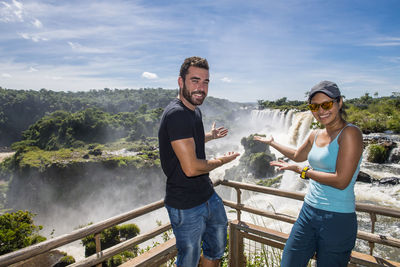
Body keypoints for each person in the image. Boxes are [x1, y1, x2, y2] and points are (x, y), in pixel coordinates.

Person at [254, 81, 363, 267]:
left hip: (337, 218)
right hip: (308, 212)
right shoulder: (315, 134)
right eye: (314, 106)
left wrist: (303, 171)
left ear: (340, 102)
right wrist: (272, 143)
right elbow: (297, 155)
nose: (321, 111)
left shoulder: (350, 133)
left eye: (326, 104)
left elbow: (341, 180)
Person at [158, 56, 240, 267]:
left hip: (208, 195)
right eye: (195, 80)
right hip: (185, 205)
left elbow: (186, 140)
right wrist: (223, 160)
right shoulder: (176, 114)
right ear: (180, 82)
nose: (201, 88)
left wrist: (210, 136)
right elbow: (192, 168)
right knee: (189, 260)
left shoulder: (194, 110)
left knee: (215, 250)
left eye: (205, 82)